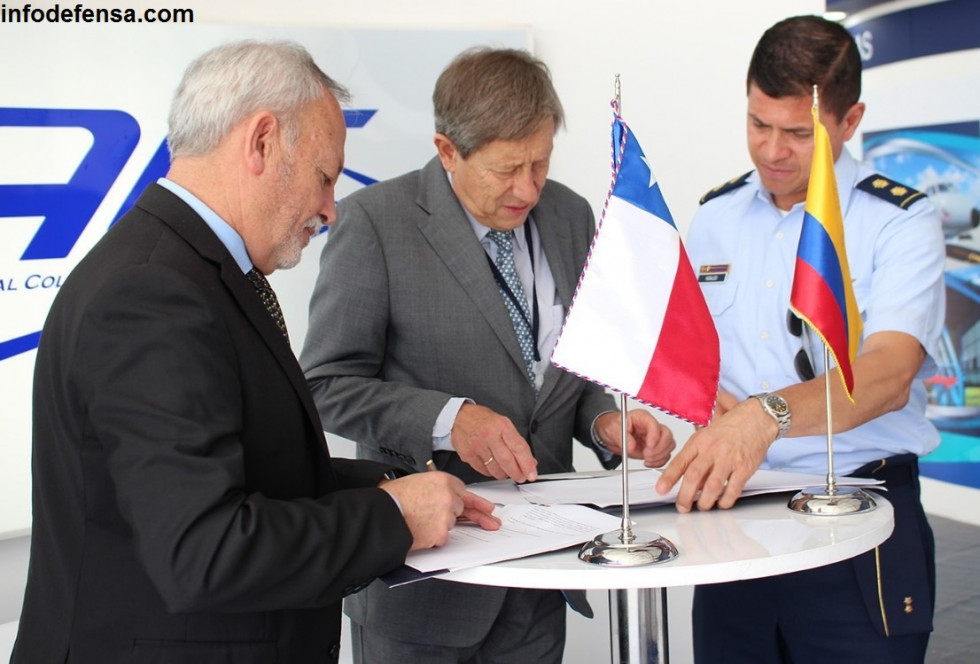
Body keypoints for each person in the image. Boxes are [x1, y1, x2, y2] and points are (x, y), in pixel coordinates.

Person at [10, 39, 499, 664]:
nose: (329, 209)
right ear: (262, 141)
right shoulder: (153, 293)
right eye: (325, 178)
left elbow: (252, 470)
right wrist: (390, 518)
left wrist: (401, 483)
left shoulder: (189, 271)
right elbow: (205, 551)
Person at [300, 47, 676, 663]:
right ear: (448, 151)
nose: (528, 188)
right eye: (507, 169)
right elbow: (325, 384)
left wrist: (605, 423)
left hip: (538, 581)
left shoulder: (570, 215)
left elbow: (564, 372)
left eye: (541, 163)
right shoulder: (375, 223)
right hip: (425, 583)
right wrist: (451, 418)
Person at [656, 15, 946, 664]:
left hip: (858, 516)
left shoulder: (896, 221)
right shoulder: (716, 216)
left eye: (796, 133)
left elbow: (888, 374)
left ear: (850, 120)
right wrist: (707, 405)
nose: (770, 151)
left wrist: (768, 415)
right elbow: (695, 359)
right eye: (758, 124)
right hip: (735, 519)